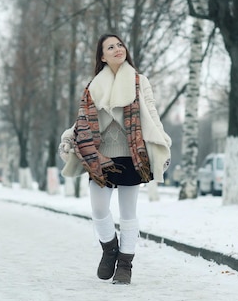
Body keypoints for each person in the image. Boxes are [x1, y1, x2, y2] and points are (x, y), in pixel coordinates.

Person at [59, 33, 171, 285]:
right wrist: (69, 136)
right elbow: (83, 121)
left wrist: (163, 142)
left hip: (132, 155)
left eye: (120, 45)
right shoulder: (93, 86)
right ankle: (109, 251)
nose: (118, 49)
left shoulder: (139, 81)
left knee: (128, 212)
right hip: (100, 156)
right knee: (99, 209)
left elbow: (151, 113)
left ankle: (125, 265)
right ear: (102, 56)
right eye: (111, 47)